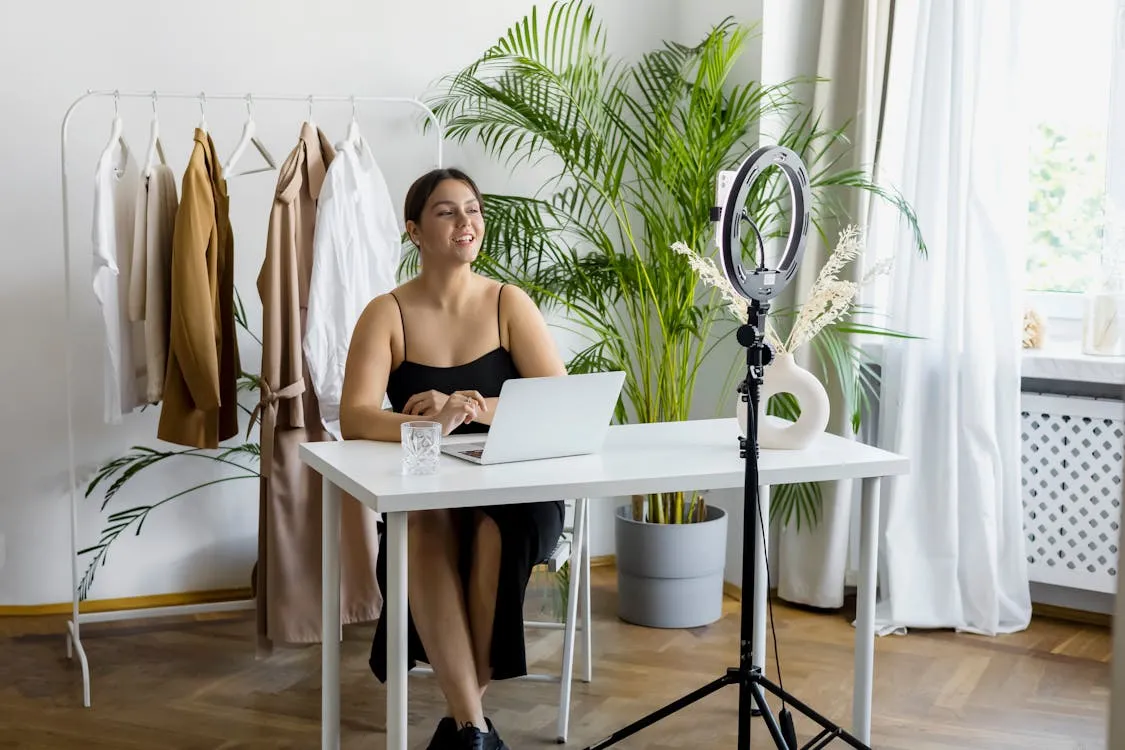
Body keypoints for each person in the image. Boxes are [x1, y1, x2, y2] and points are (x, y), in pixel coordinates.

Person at [340, 168, 568, 750]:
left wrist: (470, 407)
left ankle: (467, 727)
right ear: (415, 231)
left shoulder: (508, 303)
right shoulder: (386, 313)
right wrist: (429, 424)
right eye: (446, 212)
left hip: (516, 494)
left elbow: (559, 401)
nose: (465, 222)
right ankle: (474, 730)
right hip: (428, 492)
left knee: (494, 535)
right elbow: (355, 416)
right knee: (419, 528)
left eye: (473, 209)